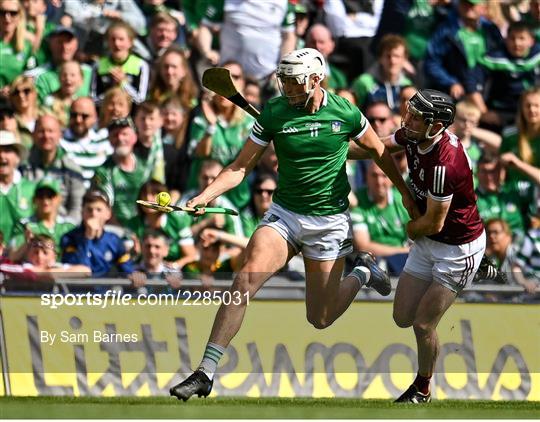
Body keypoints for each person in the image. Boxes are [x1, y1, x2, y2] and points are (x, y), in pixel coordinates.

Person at [169, 48, 416, 401]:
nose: (287, 88)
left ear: (317, 80)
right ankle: (205, 371)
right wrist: (204, 196)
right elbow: (240, 168)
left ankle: (361, 271)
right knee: (245, 278)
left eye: (294, 82)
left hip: (328, 223)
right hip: (284, 215)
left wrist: (404, 193)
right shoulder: (274, 112)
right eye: (283, 81)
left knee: (320, 318)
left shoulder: (345, 111)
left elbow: (377, 150)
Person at [388, 89, 486, 403]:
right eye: (412, 113)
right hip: (428, 242)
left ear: (436, 125)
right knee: (402, 316)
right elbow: (375, 146)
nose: (410, 120)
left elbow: (433, 223)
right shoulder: (416, 134)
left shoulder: (446, 162)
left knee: (422, 323)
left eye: (418, 117)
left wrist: (408, 227)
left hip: (457, 249)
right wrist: (324, 147)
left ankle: (423, 387)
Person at [21, 114, 86, 222]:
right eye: (41, 131)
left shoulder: (72, 170)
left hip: (63, 227)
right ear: (33, 135)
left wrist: (65, 231)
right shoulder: (23, 167)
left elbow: (76, 209)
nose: (46, 136)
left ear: (60, 135)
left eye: (51, 131)